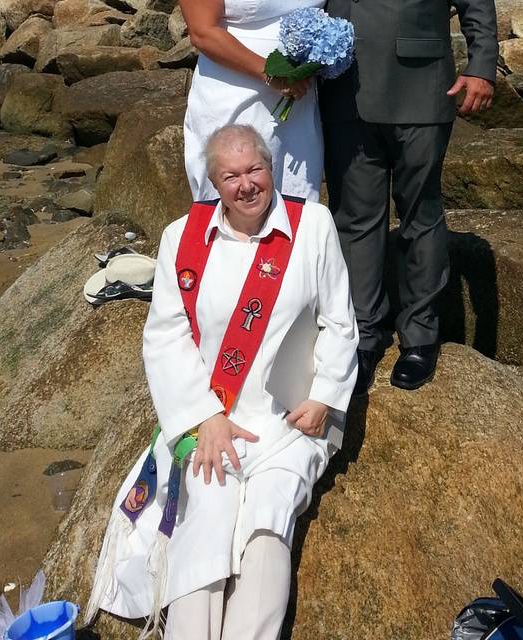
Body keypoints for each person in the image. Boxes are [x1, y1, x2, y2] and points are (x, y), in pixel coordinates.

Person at [85, 125, 358, 640]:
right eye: (230, 176)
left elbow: (340, 323)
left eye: (254, 169)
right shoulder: (180, 239)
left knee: (268, 521)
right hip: (215, 419)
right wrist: (203, 417)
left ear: (271, 166)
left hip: (289, 422)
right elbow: (165, 337)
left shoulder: (313, 225)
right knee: (205, 518)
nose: (246, 185)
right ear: (213, 183)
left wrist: (324, 396)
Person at [319, 0, 500, 393]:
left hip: (420, 81)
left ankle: (420, 335)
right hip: (342, 87)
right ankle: (362, 335)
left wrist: (482, 65)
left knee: (421, 214)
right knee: (353, 218)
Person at [182, 0, 323, 202]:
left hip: (298, 104)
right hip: (235, 98)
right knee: (238, 198)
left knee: (297, 201)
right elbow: (202, 32)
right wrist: (270, 74)